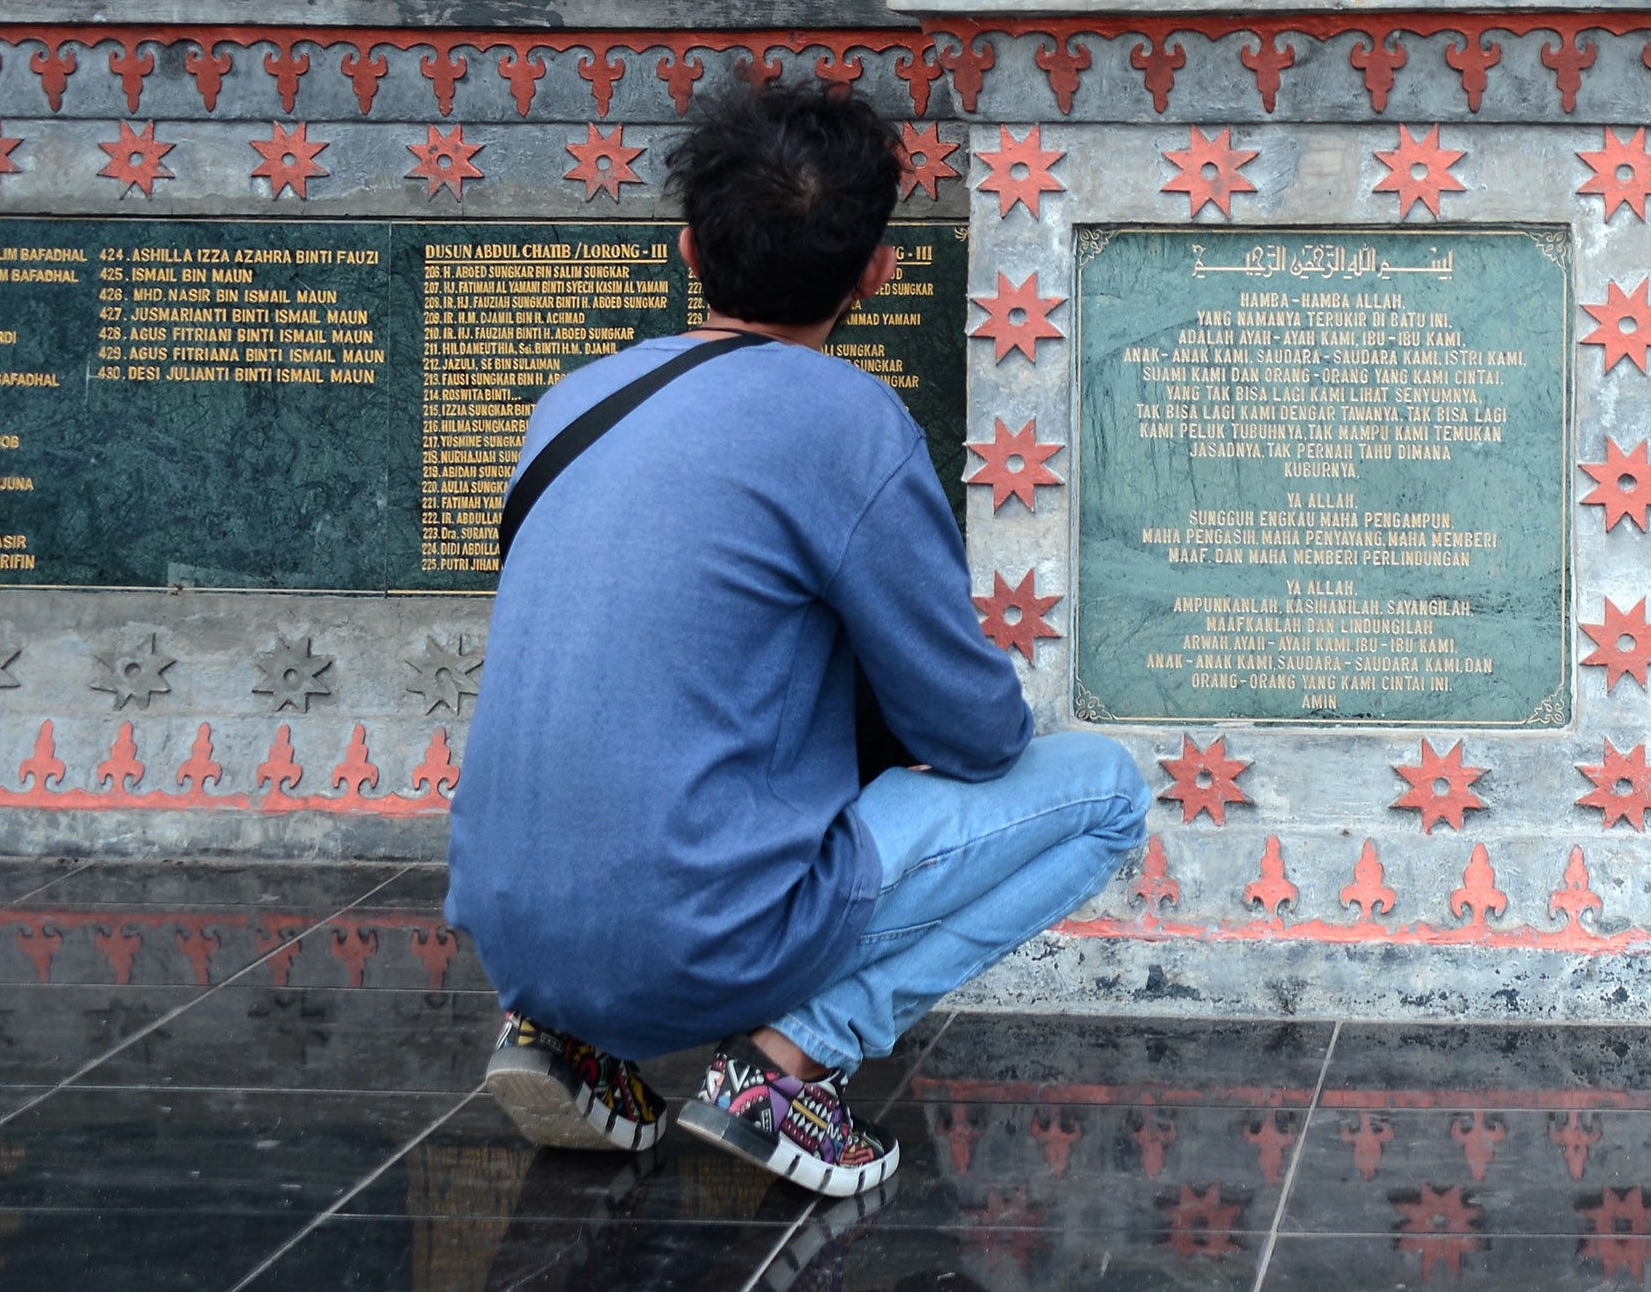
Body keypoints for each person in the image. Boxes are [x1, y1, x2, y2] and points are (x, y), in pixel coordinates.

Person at [449, 83, 1146, 1197]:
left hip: (509, 930)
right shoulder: (846, 421)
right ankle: (784, 1068)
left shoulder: (572, 400)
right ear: (877, 269)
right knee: (1102, 791)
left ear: (687, 248)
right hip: (698, 936)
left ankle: (571, 1042)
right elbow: (970, 729)